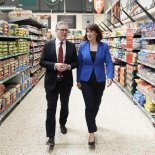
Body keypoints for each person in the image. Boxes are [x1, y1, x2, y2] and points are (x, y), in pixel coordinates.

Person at [39, 21, 78, 146]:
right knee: (51, 108)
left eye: (66, 30)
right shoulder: (48, 45)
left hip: (66, 82)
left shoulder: (71, 46)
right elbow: (42, 62)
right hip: (51, 82)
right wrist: (55, 65)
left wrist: (68, 67)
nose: (64, 32)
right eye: (62, 30)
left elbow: (76, 63)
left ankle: (62, 123)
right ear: (56, 31)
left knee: (64, 106)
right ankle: (50, 136)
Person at [77, 24, 113, 146]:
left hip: (99, 79)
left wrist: (110, 76)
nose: (89, 34)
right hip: (86, 79)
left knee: (96, 104)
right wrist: (78, 80)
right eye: (87, 31)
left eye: (91, 31)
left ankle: (92, 121)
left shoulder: (104, 46)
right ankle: (91, 132)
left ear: (97, 33)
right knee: (90, 104)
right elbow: (80, 64)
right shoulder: (82, 46)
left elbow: (108, 62)